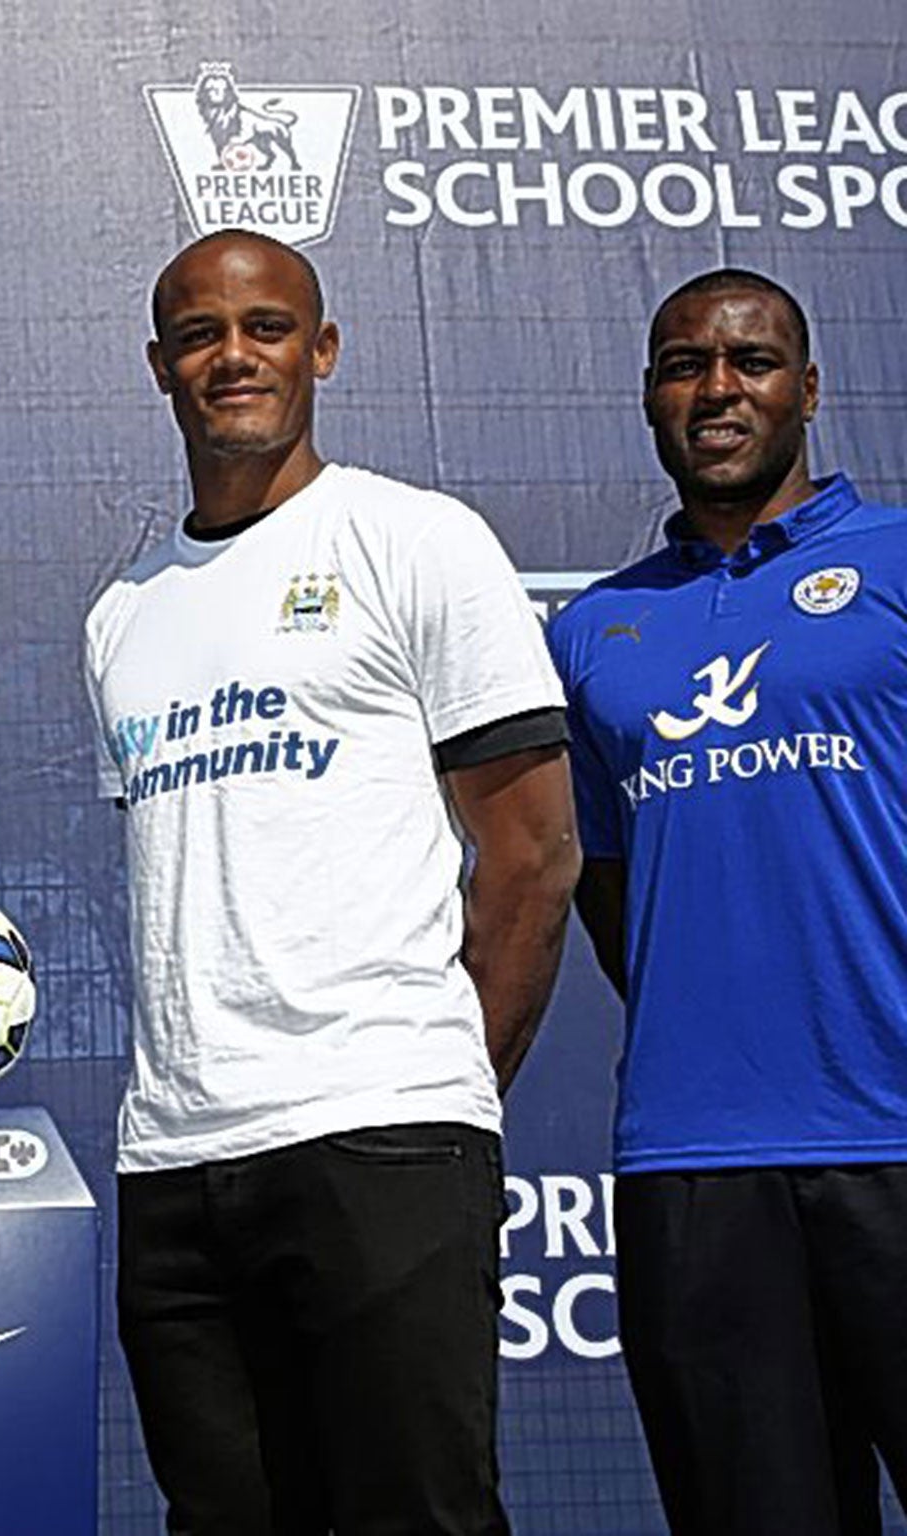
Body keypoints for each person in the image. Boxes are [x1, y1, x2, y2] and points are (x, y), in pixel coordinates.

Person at [85, 229, 579, 1534]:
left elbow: (534, 856)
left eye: (265, 328)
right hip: (179, 1156)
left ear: (324, 349)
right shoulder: (121, 614)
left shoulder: (415, 542)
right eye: (199, 334)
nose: (232, 356)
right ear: (159, 366)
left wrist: (434, 1094)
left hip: (382, 1137)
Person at [548, 270, 907, 1535]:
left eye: (749, 362)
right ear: (649, 397)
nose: (716, 389)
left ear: (806, 390)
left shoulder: (895, 562)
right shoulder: (593, 630)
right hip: (696, 1163)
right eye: (681, 364)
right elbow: (595, 878)